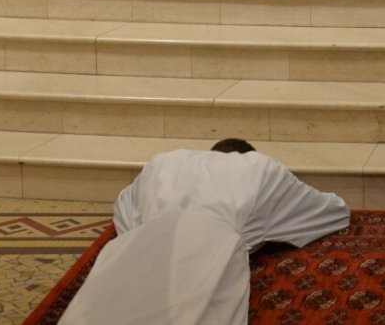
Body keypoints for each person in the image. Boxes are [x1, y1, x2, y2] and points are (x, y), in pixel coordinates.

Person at [60, 138, 351, 325]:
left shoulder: (163, 160)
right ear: (246, 154)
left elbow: (123, 212)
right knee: (187, 311)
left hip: (144, 239)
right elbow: (332, 211)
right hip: (211, 242)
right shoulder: (259, 167)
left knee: (108, 304)